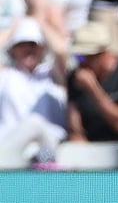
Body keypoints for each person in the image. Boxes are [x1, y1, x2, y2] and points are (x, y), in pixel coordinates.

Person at [0, 17, 68, 166]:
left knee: (35, 123)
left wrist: (41, 22)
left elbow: (61, 50)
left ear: (42, 47)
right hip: (12, 145)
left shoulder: (52, 73)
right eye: (21, 44)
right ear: (12, 48)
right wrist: (13, 28)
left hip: (49, 145)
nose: (28, 49)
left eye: (33, 44)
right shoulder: (6, 75)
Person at [66, 21, 118, 145]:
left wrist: (93, 89)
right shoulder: (75, 77)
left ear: (103, 53)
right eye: (78, 57)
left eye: (84, 57)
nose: (81, 62)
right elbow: (75, 129)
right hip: (91, 148)